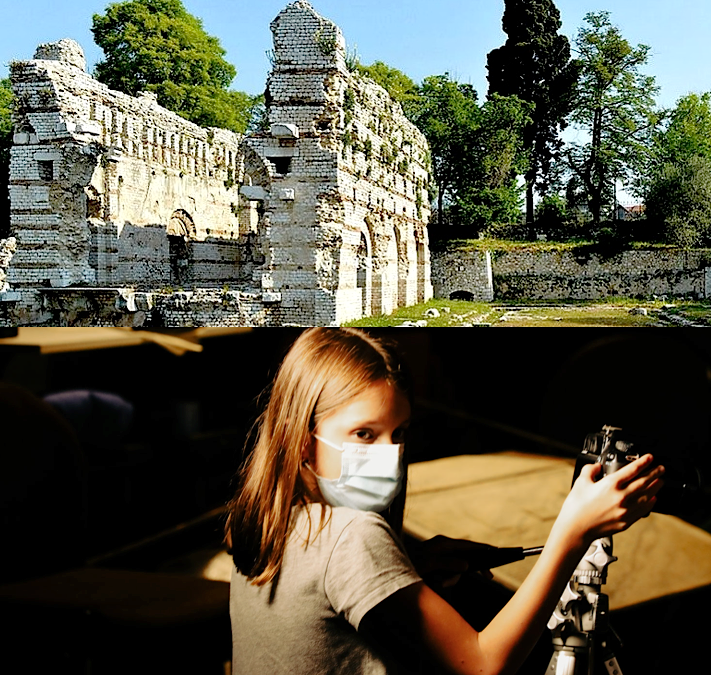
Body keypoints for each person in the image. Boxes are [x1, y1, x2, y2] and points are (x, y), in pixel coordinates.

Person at [224, 328, 664, 675]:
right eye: (363, 434)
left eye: (399, 433)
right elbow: (484, 666)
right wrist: (572, 534)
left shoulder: (269, 523)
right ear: (303, 442)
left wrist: (407, 572)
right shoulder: (351, 536)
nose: (389, 454)